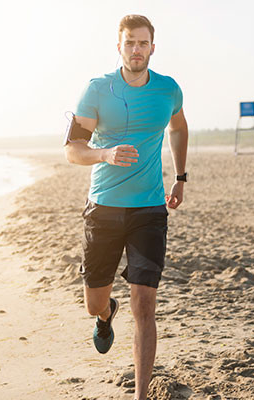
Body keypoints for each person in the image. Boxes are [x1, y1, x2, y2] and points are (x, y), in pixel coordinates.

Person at [63, 14, 188, 400]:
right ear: (119, 47)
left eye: (143, 43)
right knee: (94, 302)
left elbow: (179, 127)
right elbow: (72, 151)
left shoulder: (168, 90)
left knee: (145, 304)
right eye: (130, 42)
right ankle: (105, 315)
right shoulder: (98, 90)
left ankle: (140, 396)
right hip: (103, 209)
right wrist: (105, 153)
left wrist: (180, 177)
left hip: (149, 211)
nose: (137, 49)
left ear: (153, 47)